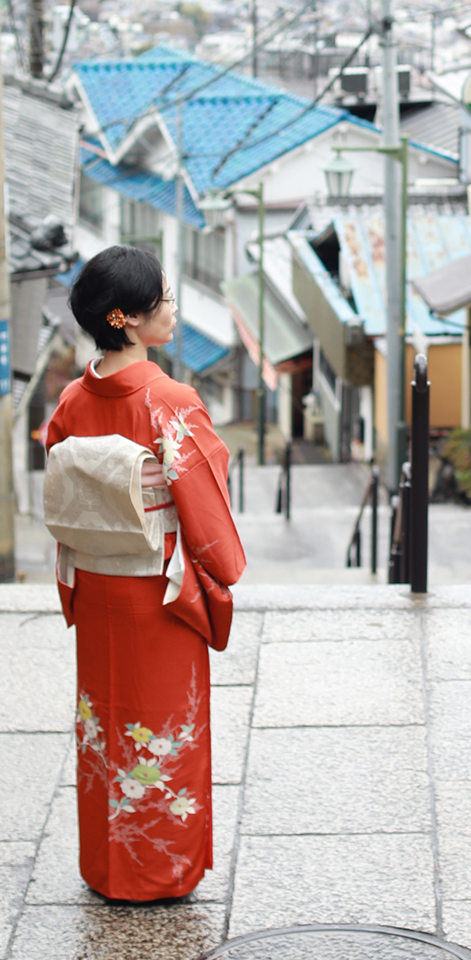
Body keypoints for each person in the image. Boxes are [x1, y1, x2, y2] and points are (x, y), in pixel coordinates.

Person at [44, 245, 246, 901]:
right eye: (162, 298)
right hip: (159, 592)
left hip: (99, 585)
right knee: (160, 726)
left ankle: (107, 865)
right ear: (124, 316)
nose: (173, 307)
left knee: (107, 723)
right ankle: (160, 870)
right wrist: (220, 570)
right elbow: (204, 508)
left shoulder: (72, 401)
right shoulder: (171, 400)